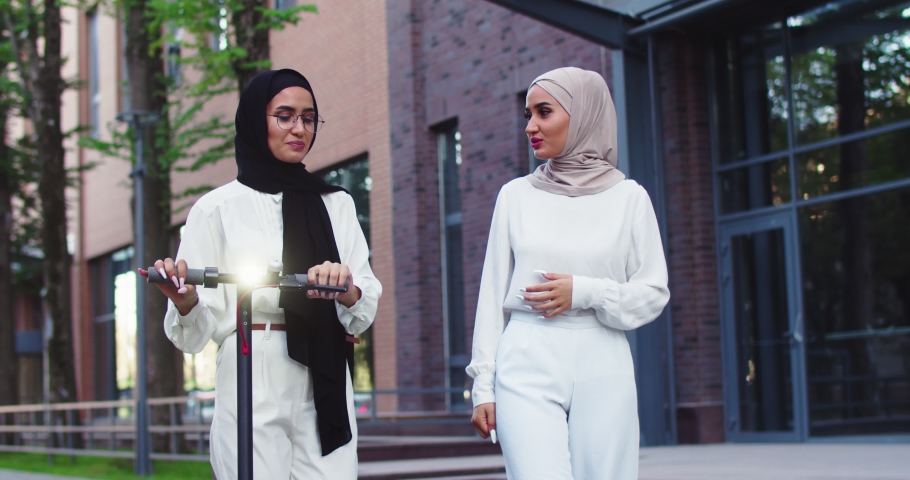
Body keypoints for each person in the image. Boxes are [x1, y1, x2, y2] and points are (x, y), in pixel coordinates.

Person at [143, 69, 381, 479]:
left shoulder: (336, 204)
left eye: (308, 118)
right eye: (284, 116)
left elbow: (364, 302)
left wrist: (345, 288)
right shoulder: (215, 209)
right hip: (251, 362)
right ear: (257, 120)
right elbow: (194, 336)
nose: (299, 128)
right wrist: (185, 302)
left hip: (323, 367)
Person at [466, 67, 670, 479]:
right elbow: (490, 298)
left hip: (604, 354)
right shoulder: (515, 196)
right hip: (526, 353)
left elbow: (653, 291)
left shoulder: (629, 198)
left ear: (585, 115)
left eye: (544, 112)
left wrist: (586, 292)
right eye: (528, 115)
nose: (531, 126)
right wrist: (482, 385)